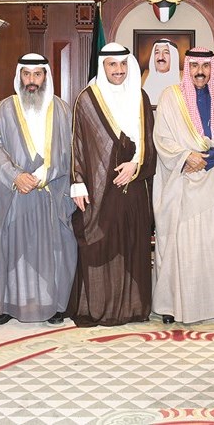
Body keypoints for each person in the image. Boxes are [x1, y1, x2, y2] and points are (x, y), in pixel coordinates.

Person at [67, 43, 156, 327]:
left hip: (134, 186)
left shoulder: (140, 96)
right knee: (101, 245)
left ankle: (132, 307)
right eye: (112, 65)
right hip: (99, 188)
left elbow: (149, 140)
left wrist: (135, 166)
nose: (118, 70)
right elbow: (77, 143)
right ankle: (99, 306)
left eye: (123, 64)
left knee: (132, 244)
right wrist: (78, 182)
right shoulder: (87, 99)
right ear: (102, 67)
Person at [0, 54, 77, 326]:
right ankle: (8, 304)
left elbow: (69, 150)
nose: (32, 80)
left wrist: (44, 175)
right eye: (27, 74)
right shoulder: (4, 109)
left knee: (53, 249)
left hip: (51, 190)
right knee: (12, 248)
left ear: (46, 76)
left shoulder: (62, 110)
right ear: (19, 76)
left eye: (38, 74)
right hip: (16, 192)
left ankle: (55, 304)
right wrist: (16, 176)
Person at [152, 47, 214, 324]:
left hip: (213, 181)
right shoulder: (170, 97)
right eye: (195, 66)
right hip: (182, 182)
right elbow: (162, 138)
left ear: (212, 68)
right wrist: (187, 157)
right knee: (180, 246)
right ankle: (172, 306)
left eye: (205, 66)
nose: (200, 72)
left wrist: (206, 160)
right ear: (186, 68)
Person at [141, 39, 180, 105]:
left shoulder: (181, 86)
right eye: (157, 52)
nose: (160, 57)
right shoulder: (145, 83)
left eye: (166, 52)